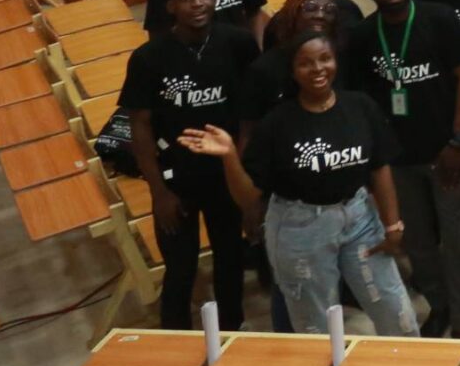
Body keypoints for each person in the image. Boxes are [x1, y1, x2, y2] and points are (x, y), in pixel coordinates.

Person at [173, 31, 416, 337]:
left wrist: (393, 225)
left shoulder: (360, 106)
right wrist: (230, 156)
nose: (318, 69)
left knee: (397, 313)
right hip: (300, 229)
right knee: (316, 327)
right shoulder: (277, 124)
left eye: (325, 59)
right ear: (292, 71)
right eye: (305, 63)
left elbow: (380, 167)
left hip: (360, 219)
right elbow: (248, 198)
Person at [346, 0, 460, 336]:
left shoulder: (440, 18)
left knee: (458, 241)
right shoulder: (362, 36)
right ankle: (439, 306)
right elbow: (361, 101)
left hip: (447, 152)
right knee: (417, 241)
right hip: (398, 160)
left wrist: (458, 140)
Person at [121, 0, 257, 329]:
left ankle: (231, 332)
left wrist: (243, 172)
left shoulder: (239, 43)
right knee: (181, 269)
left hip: (224, 175)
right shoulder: (149, 58)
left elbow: (250, 114)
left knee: (230, 260)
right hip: (175, 179)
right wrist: (158, 192)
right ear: (171, 6)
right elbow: (140, 127)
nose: (198, 4)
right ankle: (176, 340)